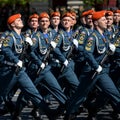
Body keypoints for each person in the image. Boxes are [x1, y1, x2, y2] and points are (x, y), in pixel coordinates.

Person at [64, 10, 120, 120]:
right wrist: (95, 66)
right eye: (103, 20)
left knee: (113, 92)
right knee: (81, 95)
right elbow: (87, 52)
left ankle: (95, 110)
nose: (106, 21)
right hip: (91, 71)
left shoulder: (104, 36)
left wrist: (112, 49)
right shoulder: (92, 37)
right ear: (96, 23)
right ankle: (69, 114)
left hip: (102, 71)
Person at [1, 13, 57, 120]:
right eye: (18, 20)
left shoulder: (22, 37)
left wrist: (30, 47)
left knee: (33, 91)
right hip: (9, 71)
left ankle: (50, 113)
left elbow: (28, 53)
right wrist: (16, 60)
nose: (21, 21)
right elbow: (5, 49)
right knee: (2, 94)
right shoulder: (10, 37)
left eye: (20, 19)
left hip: (20, 71)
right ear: (12, 25)